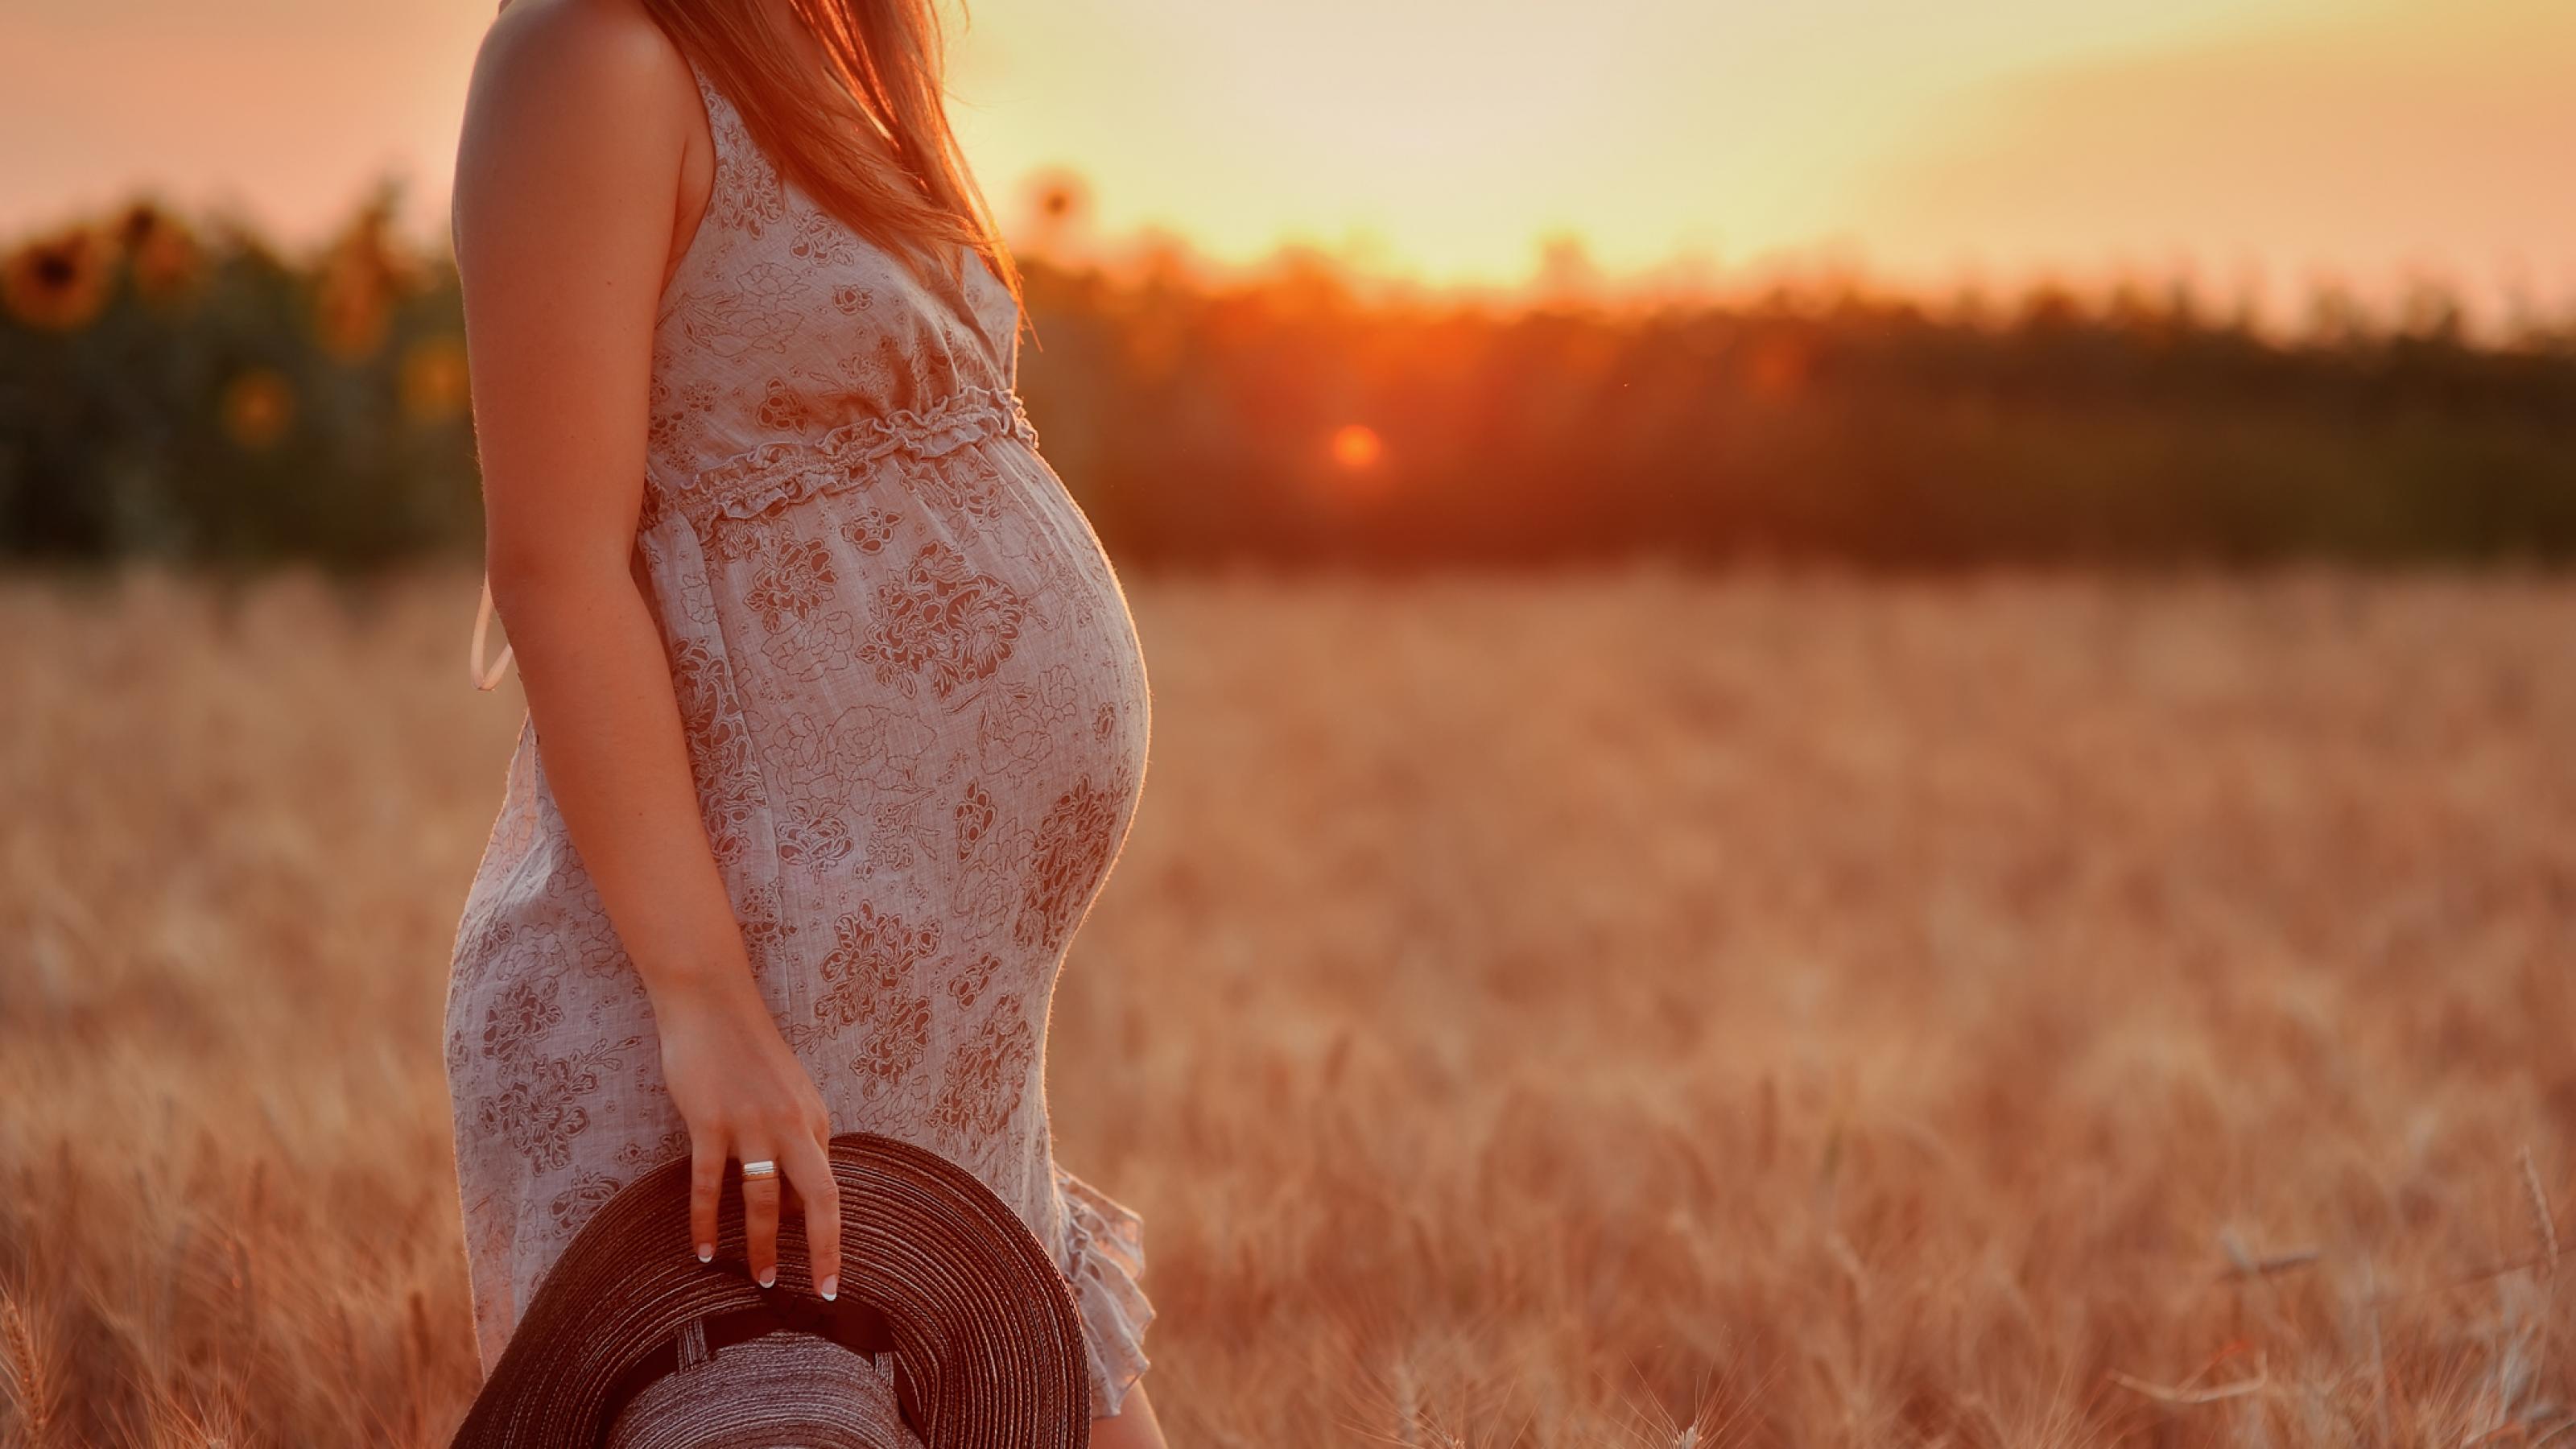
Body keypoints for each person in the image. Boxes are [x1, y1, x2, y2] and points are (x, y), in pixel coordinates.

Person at [442, 0, 1164, 1440]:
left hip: (940, 1076)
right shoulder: (594, 57)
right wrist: (706, 1002)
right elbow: (557, 569)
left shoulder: (819, 56)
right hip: (735, 1040)